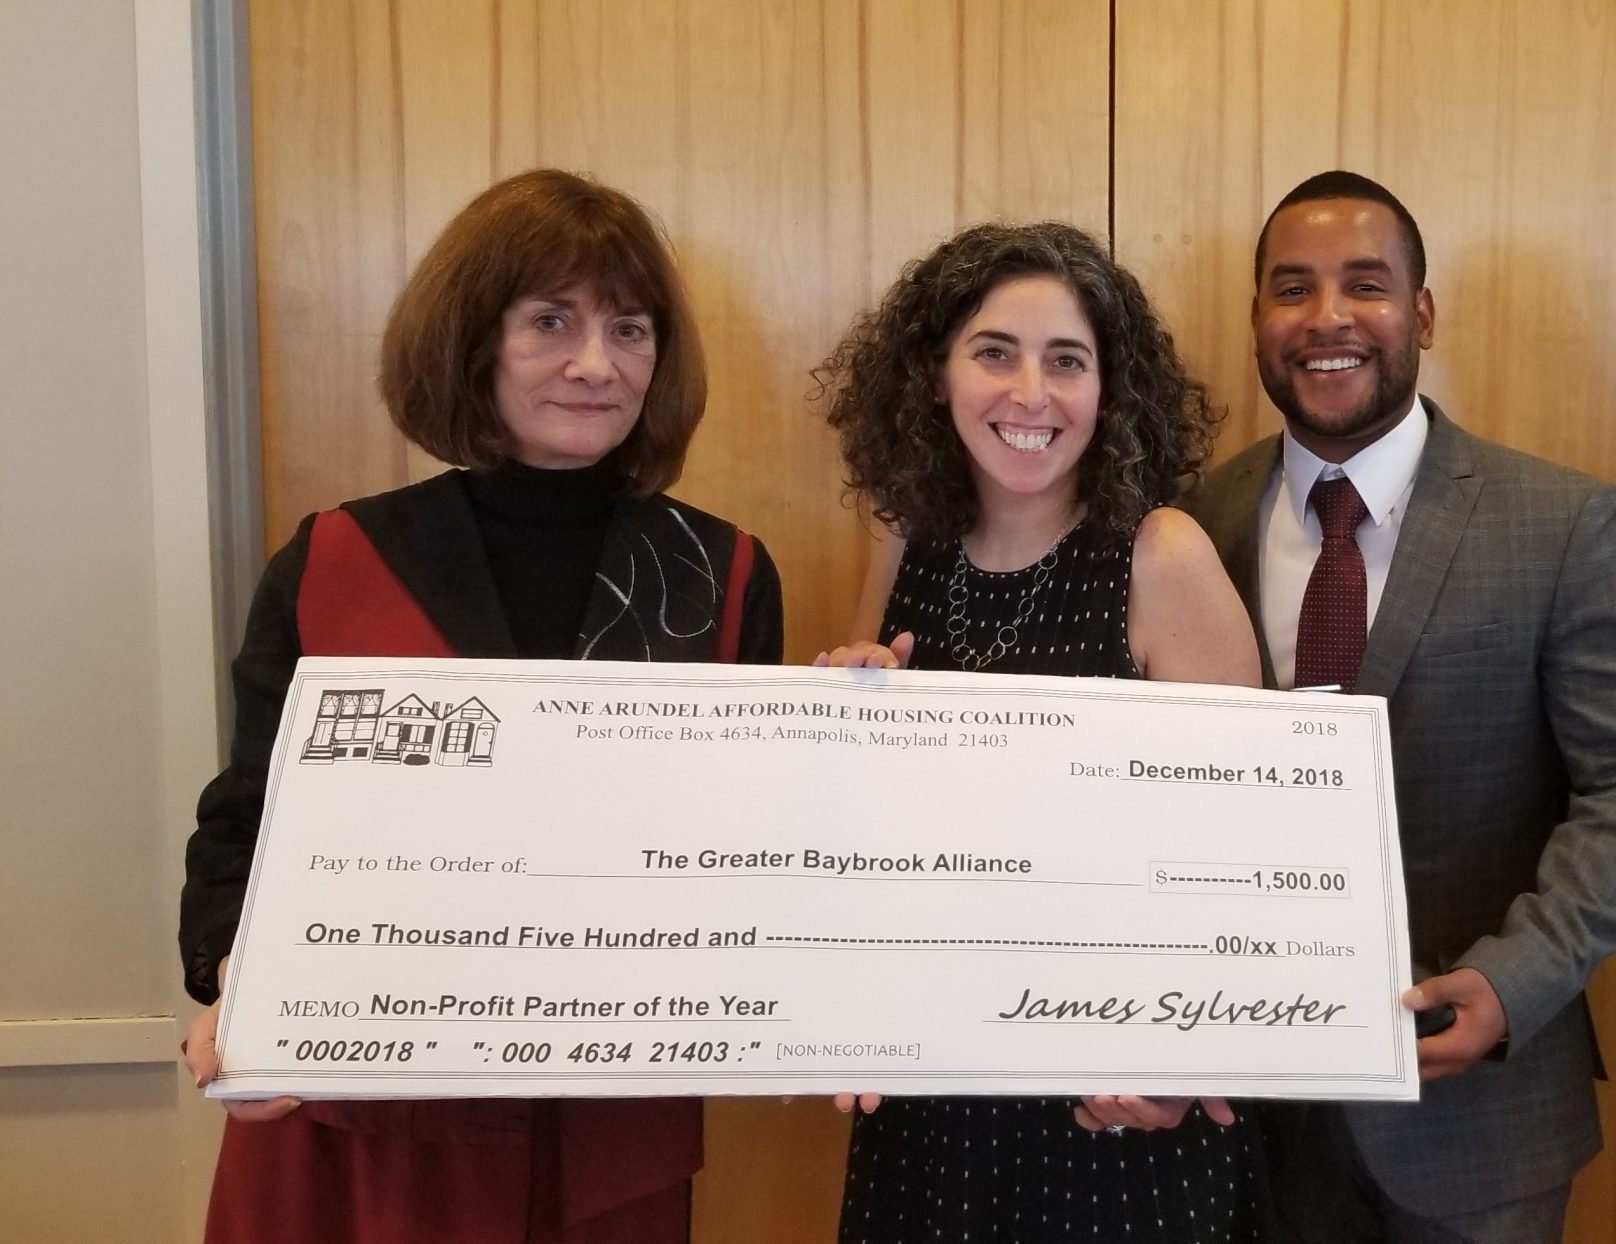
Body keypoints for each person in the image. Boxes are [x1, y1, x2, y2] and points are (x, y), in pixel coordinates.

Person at [177, 168, 784, 1244]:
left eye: (629, 328)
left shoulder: (723, 573)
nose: (596, 364)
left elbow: (751, 851)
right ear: (474, 341)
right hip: (357, 1126)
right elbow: (246, 822)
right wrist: (240, 995)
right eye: (550, 320)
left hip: (602, 1132)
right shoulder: (334, 557)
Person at [1180, 171, 1616, 1242]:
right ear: (1257, 319)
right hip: (1251, 1111)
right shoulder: (1196, 521)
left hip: (1478, 1112)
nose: (1326, 318)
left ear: (1421, 312)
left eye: (1364, 285)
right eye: (1291, 288)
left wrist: (1514, 980)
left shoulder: (1560, 521)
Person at [811, 221, 1263, 1241]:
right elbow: (863, 847)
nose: (1030, 393)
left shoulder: (1161, 552)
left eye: (1068, 361)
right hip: (931, 1094)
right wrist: (851, 710)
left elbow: (1243, 854)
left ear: (1113, 392)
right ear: (934, 375)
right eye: (993, 352)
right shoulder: (906, 544)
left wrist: (1185, 1066)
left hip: (1109, 1099)